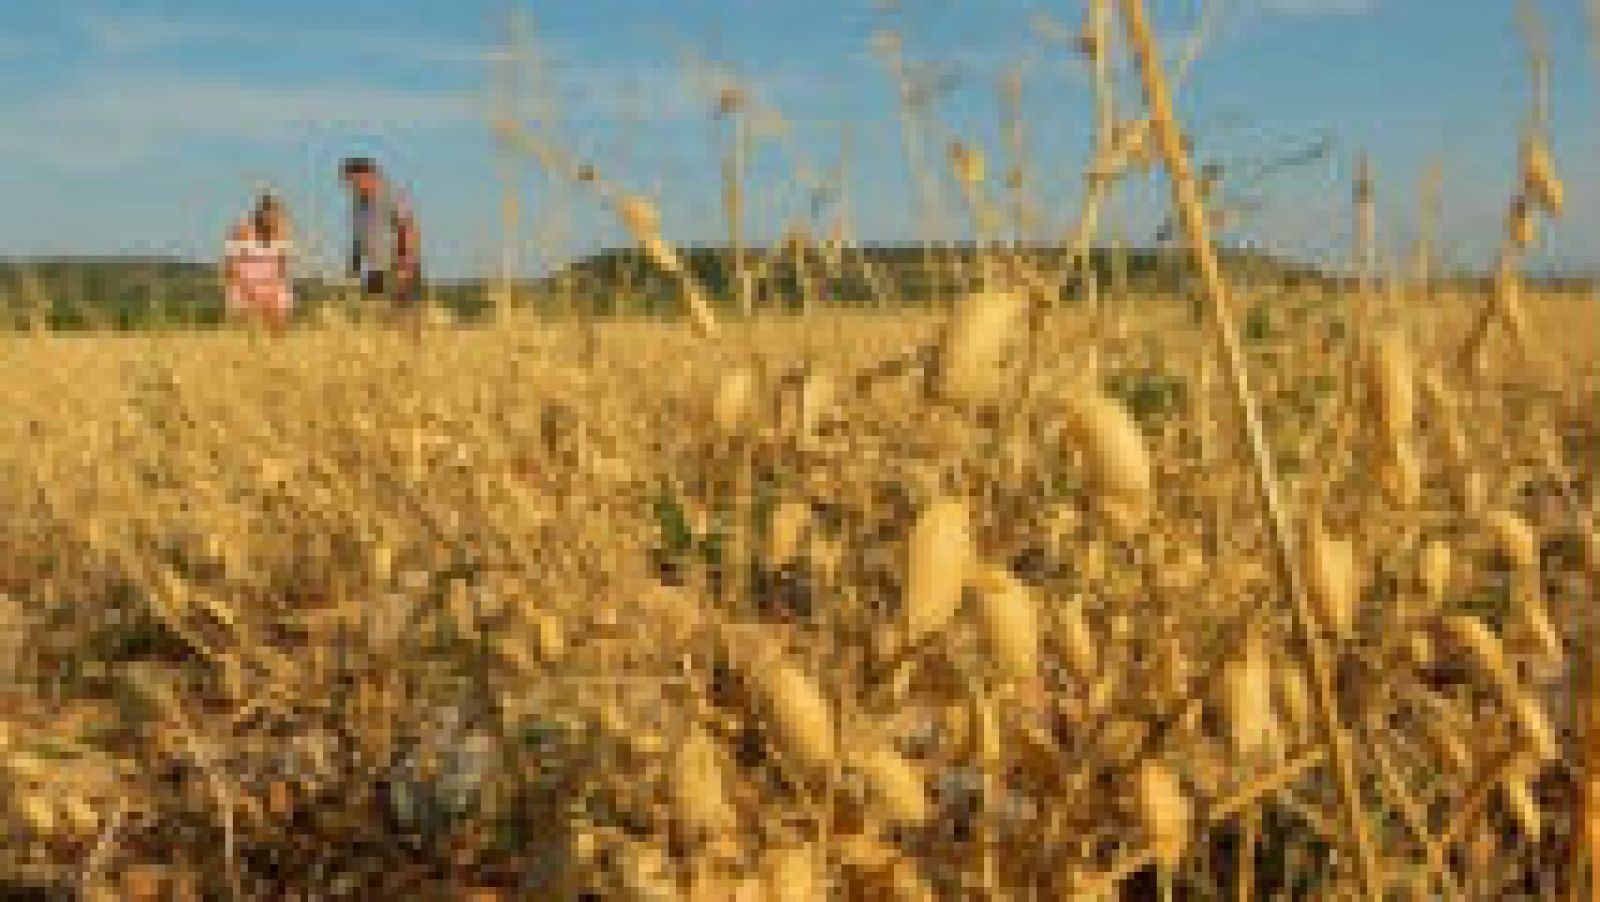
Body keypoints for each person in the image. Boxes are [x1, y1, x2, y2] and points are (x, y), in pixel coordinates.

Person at [340, 157, 423, 329]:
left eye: (353, 181)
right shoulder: (358, 202)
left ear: (368, 175)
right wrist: (353, 268)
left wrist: (405, 264)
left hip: (398, 265)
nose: (351, 187)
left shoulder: (390, 195)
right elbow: (359, 236)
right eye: (348, 183)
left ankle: (412, 353)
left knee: (404, 317)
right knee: (376, 316)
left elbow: (407, 227)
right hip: (375, 269)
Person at [223, 193, 295, 333]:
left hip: (271, 287)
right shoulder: (242, 231)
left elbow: (282, 268)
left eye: (277, 217)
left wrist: (275, 288)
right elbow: (231, 264)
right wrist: (245, 288)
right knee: (247, 329)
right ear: (261, 215)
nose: (273, 221)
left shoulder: (280, 235)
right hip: (245, 285)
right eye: (270, 216)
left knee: (278, 325)